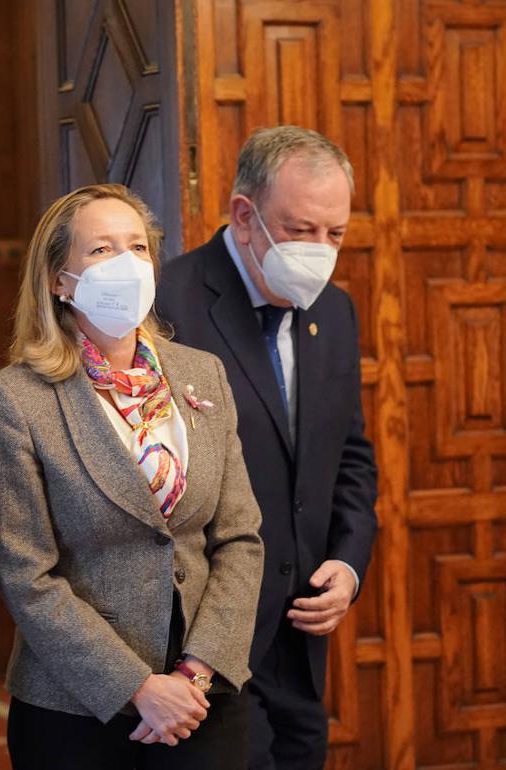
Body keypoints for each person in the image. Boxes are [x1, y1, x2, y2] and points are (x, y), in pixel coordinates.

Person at [0, 183, 264, 769]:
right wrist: (137, 687)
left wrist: (197, 673)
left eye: (137, 248)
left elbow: (239, 538)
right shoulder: (16, 400)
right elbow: (28, 576)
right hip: (79, 711)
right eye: (101, 250)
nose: (126, 264)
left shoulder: (201, 374)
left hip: (203, 701)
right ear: (59, 279)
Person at [157, 126, 379, 770]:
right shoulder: (167, 304)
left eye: (334, 234)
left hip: (304, 631)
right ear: (244, 216)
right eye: (302, 229)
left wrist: (349, 562)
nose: (320, 250)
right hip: (205, 641)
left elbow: (351, 455)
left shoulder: (333, 311)